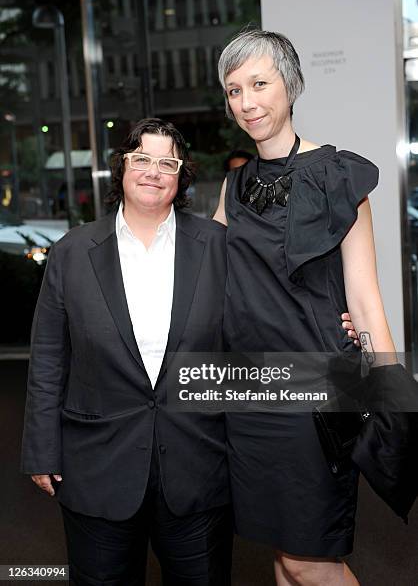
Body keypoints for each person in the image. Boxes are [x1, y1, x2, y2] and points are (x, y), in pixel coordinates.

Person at [214, 29, 397, 585]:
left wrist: (394, 397)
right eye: (234, 90)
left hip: (319, 391)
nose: (247, 102)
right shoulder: (234, 185)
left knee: (307, 557)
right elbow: (213, 286)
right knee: (281, 551)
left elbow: (365, 298)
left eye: (260, 84)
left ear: (290, 87)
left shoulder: (339, 176)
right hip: (252, 394)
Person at [21, 118, 232, 586]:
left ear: (181, 174)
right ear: (122, 168)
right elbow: (50, 357)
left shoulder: (219, 248)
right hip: (98, 466)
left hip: (197, 465)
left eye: (166, 162)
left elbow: (250, 340)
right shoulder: (72, 252)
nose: (153, 172)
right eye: (142, 159)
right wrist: (41, 448)